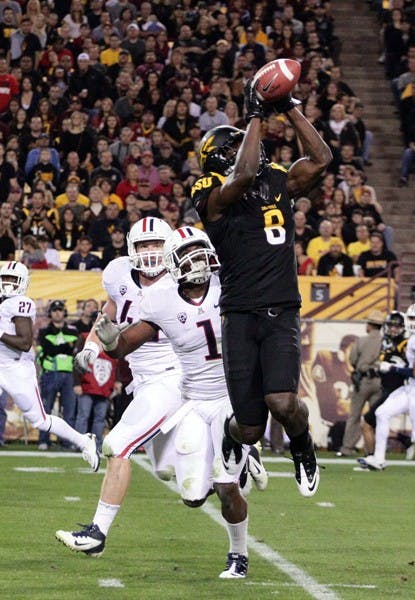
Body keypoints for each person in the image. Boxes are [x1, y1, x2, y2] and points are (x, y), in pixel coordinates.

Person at [91, 226, 267, 578]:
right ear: (175, 262)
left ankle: (238, 553)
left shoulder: (229, 285)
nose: (196, 261)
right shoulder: (161, 299)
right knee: (192, 496)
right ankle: (244, 460)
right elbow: (124, 344)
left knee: (225, 485)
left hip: (231, 396)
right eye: (187, 254)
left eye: (200, 251)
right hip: (193, 398)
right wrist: (109, 341)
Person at [190, 79, 333, 497]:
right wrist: (255, 114)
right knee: (248, 426)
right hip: (238, 312)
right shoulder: (209, 191)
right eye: (236, 147)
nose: (250, 147)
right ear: (220, 158)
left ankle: (302, 446)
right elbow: (244, 172)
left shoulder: (278, 180)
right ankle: (235, 438)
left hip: (281, 308)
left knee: (283, 403)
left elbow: (321, 158)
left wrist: (288, 106)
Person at [56, 217, 184, 557]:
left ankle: (97, 534)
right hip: (141, 382)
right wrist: (90, 348)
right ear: (131, 248)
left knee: (117, 444)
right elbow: (109, 315)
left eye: (157, 244)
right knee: (176, 476)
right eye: (144, 245)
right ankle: (237, 456)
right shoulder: (117, 274)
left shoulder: (178, 282)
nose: (151, 251)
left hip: (171, 377)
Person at [0, 263, 99, 469]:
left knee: (40, 420)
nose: (7, 284)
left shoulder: (21, 302)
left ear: (23, 283)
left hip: (15, 368)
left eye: (12, 279)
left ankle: (83, 441)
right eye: (5, 279)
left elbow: (25, 342)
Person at [359, 305, 415, 471]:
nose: (412, 322)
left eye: (414, 319)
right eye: (411, 318)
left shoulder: (409, 341)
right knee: (381, 413)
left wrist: (393, 368)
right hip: (409, 388)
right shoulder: (410, 339)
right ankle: (379, 459)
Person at [336, 310, 384, 457]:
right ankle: (372, 450)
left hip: (363, 381)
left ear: (370, 325)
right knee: (376, 417)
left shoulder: (362, 341)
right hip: (380, 380)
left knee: (354, 415)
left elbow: (352, 359)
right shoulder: (385, 341)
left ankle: (347, 448)